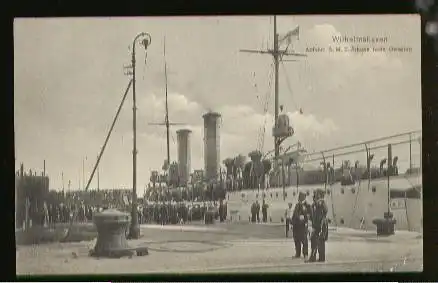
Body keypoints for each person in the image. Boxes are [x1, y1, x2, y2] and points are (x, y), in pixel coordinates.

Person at [306, 189, 329, 263]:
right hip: (315, 225)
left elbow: (325, 210)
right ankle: (314, 257)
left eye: (315, 195)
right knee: (315, 241)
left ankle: (320, 258)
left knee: (320, 242)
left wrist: (321, 202)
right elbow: (312, 215)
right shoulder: (314, 205)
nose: (314, 197)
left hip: (321, 225)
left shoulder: (321, 203)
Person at [292, 192, 311, 259]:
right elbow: (295, 214)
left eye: (301, 197)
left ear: (303, 197)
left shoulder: (307, 205)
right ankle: (298, 253)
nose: (299, 198)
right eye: (299, 197)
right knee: (296, 240)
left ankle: (305, 254)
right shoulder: (297, 205)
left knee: (304, 240)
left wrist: (304, 218)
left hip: (302, 225)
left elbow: (309, 214)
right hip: (296, 225)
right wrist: (292, 222)